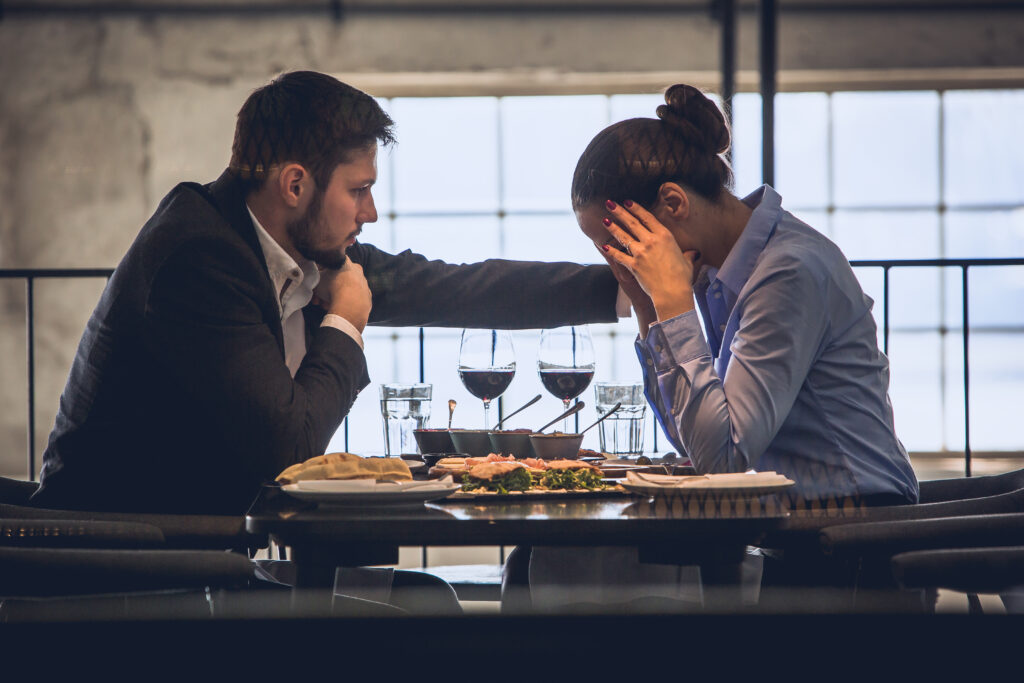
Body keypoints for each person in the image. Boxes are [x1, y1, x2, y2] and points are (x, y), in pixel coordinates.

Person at [30, 71, 621, 516]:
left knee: (422, 606)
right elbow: (288, 446)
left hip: (213, 551)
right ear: (295, 184)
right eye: (359, 189)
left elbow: (459, 288)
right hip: (130, 569)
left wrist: (629, 286)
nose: (370, 211)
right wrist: (345, 320)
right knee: (424, 615)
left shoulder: (304, 250)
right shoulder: (201, 258)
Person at [527, 83, 919, 610]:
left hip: (853, 540)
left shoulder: (788, 271)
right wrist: (648, 308)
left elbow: (723, 457)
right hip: (796, 531)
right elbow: (695, 441)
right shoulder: (719, 272)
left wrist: (671, 302)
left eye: (620, 240)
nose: (617, 258)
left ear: (672, 203)